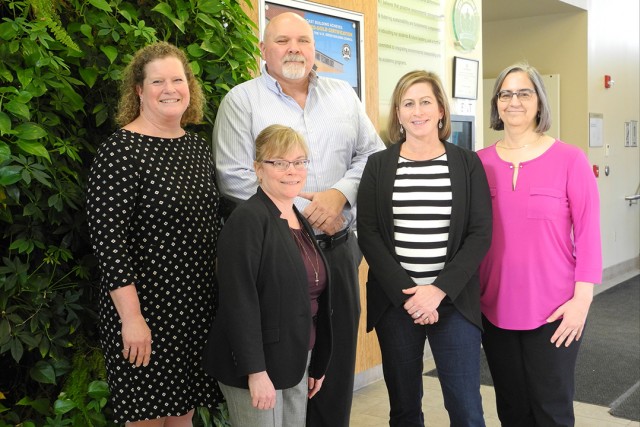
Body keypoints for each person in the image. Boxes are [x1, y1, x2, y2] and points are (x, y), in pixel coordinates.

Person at [212, 11, 384, 426]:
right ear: (263, 50)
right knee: (284, 360)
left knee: (332, 361)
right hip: (277, 253)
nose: (294, 49)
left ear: (314, 49)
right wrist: (307, 212)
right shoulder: (242, 100)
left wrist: (338, 196)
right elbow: (232, 175)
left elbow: (373, 156)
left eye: (304, 41)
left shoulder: (343, 94)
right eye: (283, 40)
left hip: (339, 250)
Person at [86, 42, 223, 426]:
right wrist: (132, 319)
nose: (170, 88)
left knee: (182, 416)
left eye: (178, 79)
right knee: (146, 418)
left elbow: (208, 231)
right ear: (139, 90)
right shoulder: (120, 151)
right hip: (143, 314)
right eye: (158, 80)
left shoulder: (196, 148)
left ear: (189, 87)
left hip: (194, 311)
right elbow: (109, 246)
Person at [356, 70, 492, 427]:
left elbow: (479, 234)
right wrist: (411, 297)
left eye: (425, 102)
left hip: (454, 302)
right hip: (396, 304)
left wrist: (436, 292)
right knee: (403, 408)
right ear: (398, 114)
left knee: (466, 408)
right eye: (408, 103)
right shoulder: (378, 165)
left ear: (441, 110)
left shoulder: (467, 163)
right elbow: (368, 234)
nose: (418, 111)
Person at [478, 62, 602, 427]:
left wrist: (582, 300)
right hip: (494, 308)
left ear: (539, 102)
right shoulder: (478, 163)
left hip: (556, 310)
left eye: (524, 93)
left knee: (552, 410)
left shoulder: (570, 159)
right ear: (496, 103)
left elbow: (589, 234)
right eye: (505, 93)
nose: (513, 101)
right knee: (512, 409)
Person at [202, 125, 333, 426]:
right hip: (258, 366)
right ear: (258, 168)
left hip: (297, 358)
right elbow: (238, 301)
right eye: (280, 162)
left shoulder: (298, 217)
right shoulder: (248, 219)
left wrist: (317, 361)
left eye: (299, 161)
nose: (292, 170)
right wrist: (255, 372)